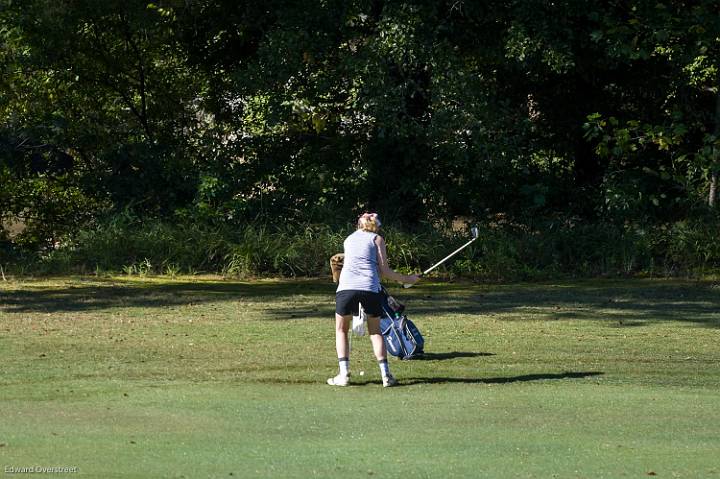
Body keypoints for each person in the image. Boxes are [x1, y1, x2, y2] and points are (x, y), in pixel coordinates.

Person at [328, 212, 420, 387]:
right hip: (370, 289)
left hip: (346, 288)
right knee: (375, 332)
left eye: (369, 214)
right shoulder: (377, 239)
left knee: (341, 330)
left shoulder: (349, 239)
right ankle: (386, 376)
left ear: (362, 223)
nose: (367, 214)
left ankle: (344, 374)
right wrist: (409, 279)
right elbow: (385, 272)